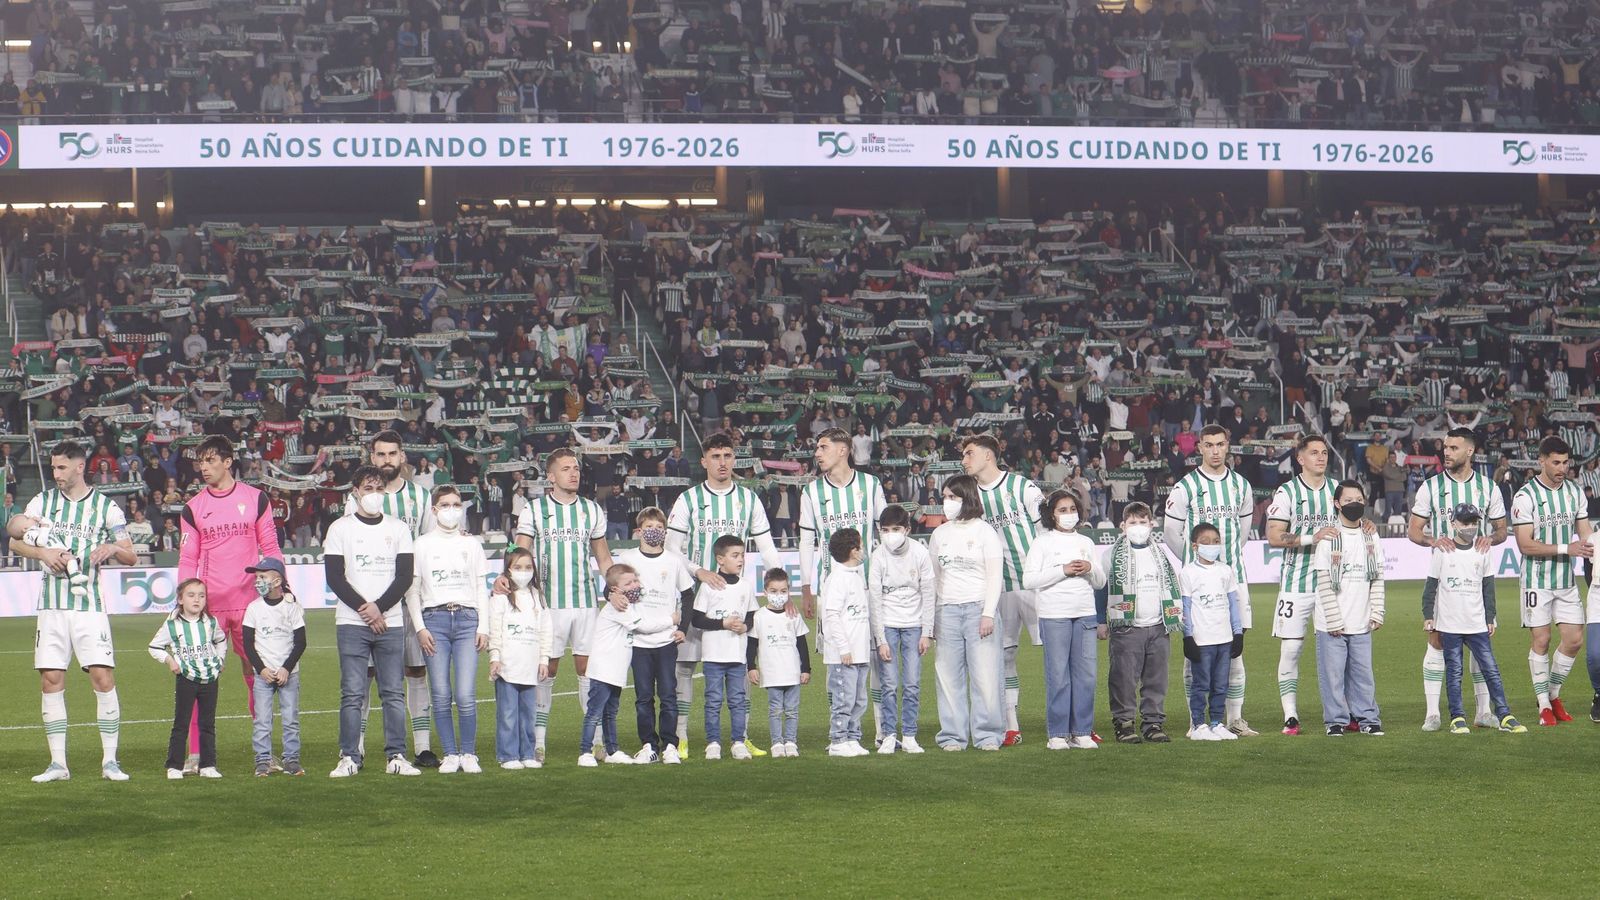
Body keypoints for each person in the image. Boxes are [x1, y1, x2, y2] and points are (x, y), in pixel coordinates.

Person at [7, 440, 137, 783]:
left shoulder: (106, 507)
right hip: (51, 606)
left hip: (89, 606)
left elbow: (130, 555)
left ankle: (110, 761)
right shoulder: (43, 502)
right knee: (51, 679)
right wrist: (43, 554)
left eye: (62, 467)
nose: (56, 473)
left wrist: (111, 547)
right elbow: (14, 538)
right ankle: (58, 764)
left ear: (80, 467)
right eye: (53, 467)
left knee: (102, 677)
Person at [667, 433, 783, 755]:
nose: (722, 462)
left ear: (734, 459)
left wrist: (780, 585)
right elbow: (672, 549)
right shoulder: (688, 499)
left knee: (740, 667)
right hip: (694, 597)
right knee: (685, 667)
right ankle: (681, 736)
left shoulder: (749, 499)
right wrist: (699, 571)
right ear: (704, 461)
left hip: (736, 602)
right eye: (716, 456)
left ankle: (740, 735)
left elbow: (767, 547)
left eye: (727, 456)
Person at [178, 434, 283, 774]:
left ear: (227, 462)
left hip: (250, 603)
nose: (203, 467)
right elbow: (187, 558)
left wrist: (280, 585)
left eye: (210, 460)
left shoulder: (256, 499)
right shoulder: (193, 508)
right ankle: (196, 754)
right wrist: (185, 600)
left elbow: (271, 548)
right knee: (199, 677)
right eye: (200, 461)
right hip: (209, 608)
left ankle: (265, 753)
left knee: (258, 674)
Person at [506, 448, 615, 764]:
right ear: (551, 476)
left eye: (576, 468)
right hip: (548, 605)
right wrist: (512, 587)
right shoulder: (534, 510)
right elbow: (520, 554)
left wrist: (617, 585)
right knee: (547, 669)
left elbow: (603, 557)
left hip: (585, 603)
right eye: (566, 469)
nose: (574, 473)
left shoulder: (591, 510)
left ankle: (595, 741)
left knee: (588, 669)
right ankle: (538, 743)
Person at [343, 431, 438, 768]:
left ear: (402, 457)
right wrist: (369, 604)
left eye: (392, 454)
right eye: (380, 454)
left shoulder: (420, 497)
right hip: (368, 602)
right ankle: (357, 747)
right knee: (367, 674)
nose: (387, 460)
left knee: (415, 670)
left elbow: (428, 546)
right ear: (372, 457)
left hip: (408, 599)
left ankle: (422, 747)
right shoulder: (356, 497)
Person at [1408, 427, 1507, 731]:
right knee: (1436, 640)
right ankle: (1433, 713)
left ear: (1470, 451)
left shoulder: (1488, 487)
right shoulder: (1431, 486)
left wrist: (1491, 538)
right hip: (1445, 579)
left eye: (1453, 448)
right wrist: (1432, 541)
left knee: (1480, 640)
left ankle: (1483, 712)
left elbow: (1502, 530)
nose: (1446, 452)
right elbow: (1414, 530)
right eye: (1445, 447)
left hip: (1476, 576)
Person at [1164, 424, 1257, 736]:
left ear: (1228, 445)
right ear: (1200, 448)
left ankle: (1234, 719)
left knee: (1235, 650)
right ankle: (1197, 721)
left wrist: (1223, 564)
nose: (1215, 451)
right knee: (1196, 653)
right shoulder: (1185, 487)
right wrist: (1196, 564)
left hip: (1234, 578)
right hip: (1197, 584)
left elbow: (1243, 533)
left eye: (1220, 444)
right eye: (1209, 445)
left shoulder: (1241, 486)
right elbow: (1171, 534)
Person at [326, 466, 417, 777]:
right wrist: (367, 610)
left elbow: (404, 577)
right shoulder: (340, 529)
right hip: (351, 623)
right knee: (352, 693)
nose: (374, 494)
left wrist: (379, 608)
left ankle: (397, 756)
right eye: (368, 488)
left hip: (390, 622)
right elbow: (335, 578)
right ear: (355, 492)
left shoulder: (398, 528)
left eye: (379, 489)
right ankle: (349, 757)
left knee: (393, 693)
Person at [798, 428, 887, 743]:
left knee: (875, 658)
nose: (817, 453)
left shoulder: (870, 485)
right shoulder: (811, 492)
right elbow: (806, 541)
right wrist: (806, 588)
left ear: (843, 450)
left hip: (868, 588)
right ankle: (840, 731)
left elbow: (884, 533)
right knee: (836, 661)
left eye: (823, 447)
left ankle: (881, 730)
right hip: (831, 589)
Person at [959, 434, 1043, 746]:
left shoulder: (1022, 486)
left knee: (1058, 651)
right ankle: (1011, 725)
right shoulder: (969, 497)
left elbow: (1045, 528)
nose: (964, 460)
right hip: (998, 590)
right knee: (1005, 656)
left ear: (988, 456)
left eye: (969, 453)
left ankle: (1074, 723)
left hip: (1036, 584)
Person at [1420, 504, 1526, 734]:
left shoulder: (1483, 550)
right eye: (1465, 522)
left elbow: (1488, 587)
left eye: (1473, 523)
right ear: (1453, 524)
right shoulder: (1442, 551)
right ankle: (1457, 718)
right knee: (1454, 672)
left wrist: (1490, 616)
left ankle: (1505, 715)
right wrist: (1428, 615)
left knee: (1491, 670)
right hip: (1450, 624)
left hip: (1476, 623)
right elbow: (1430, 586)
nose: (1470, 527)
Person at [407, 485, 489, 774]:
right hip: (434, 621)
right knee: (441, 693)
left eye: (456, 504)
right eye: (445, 505)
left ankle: (468, 752)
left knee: (465, 693)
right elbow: (412, 591)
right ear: (434, 510)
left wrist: (484, 626)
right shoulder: (421, 545)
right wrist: (420, 628)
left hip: (467, 619)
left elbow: (481, 586)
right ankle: (450, 753)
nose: (451, 510)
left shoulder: (472, 544)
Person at [1511, 435, 1592, 727]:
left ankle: (1553, 694)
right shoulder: (1525, 496)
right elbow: (1525, 544)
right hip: (1536, 580)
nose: (1562, 468)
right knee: (1542, 640)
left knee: (1574, 640)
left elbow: (1585, 534)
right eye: (1556, 462)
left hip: (1566, 580)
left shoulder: (1574, 492)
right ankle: (1543, 705)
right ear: (1541, 461)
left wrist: (1592, 546)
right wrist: (1567, 548)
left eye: (1565, 462)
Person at [1264, 434, 1341, 736]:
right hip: (1296, 583)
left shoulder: (1337, 489)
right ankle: (1291, 715)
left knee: (1335, 650)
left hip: (1331, 584)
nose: (1321, 457)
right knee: (1292, 649)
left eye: (1324, 452)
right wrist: (1313, 537)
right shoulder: (1288, 492)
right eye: (1314, 453)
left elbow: (1352, 524)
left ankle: (1340, 712)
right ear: (1300, 458)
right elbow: (1274, 536)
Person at [1024, 489, 1107, 750]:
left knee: (1086, 676)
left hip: (1085, 614)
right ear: (1051, 514)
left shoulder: (1086, 542)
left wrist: (1090, 568)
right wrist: (1063, 570)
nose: (1069, 514)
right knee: (1058, 676)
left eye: (1072, 509)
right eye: (1062, 510)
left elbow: (1100, 581)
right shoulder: (1042, 542)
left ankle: (1081, 731)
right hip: (1054, 615)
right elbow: (1029, 580)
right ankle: (1058, 734)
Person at [929, 474, 1006, 752]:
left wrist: (988, 613)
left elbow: (995, 576)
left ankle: (988, 735)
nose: (947, 502)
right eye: (945, 497)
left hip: (978, 608)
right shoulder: (939, 534)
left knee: (986, 677)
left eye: (953, 497)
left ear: (967, 497)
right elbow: (934, 579)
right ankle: (952, 736)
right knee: (948, 678)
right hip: (946, 611)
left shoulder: (985, 532)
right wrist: (932, 618)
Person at [614, 507, 695, 764]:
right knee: (643, 697)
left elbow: (688, 595)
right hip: (638, 640)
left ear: (665, 532)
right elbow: (612, 589)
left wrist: (683, 628)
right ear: (639, 531)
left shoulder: (673, 561)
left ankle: (670, 745)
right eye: (649, 527)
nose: (654, 531)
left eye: (659, 528)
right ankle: (648, 744)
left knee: (669, 695)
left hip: (666, 640)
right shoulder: (627, 558)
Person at [580, 564, 678, 767]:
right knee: (594, 713)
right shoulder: (620, 607)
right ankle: (585, 752)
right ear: (615, 590)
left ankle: (612, 750)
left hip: (614, 671)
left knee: (610, 713)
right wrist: (671, 619)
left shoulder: (627, 604)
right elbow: (643, 626)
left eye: (635, 580)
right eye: (628, 583)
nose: (635, 585)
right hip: (603, 670)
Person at [1100, 501, 1181, 744]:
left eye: (1142, 522)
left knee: (1156, 679)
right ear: (1122, 526)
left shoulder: (1160, 554)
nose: (1138, 526)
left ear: (1151, 524)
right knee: (1123, 679)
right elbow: (1101, 589)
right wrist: (1100, 621)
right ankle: (1124, 724)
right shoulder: (1110, 555)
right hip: (1127, 627)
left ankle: (1153, 723)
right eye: (1132, 522)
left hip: (1158, 625)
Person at [1313, 481, 1387, 737]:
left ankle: (1368, 719)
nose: (1354, 504)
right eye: (1348, 500)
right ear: (1337, 504)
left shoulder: (1371, 535)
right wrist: (1334, 619)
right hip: (1331, 622)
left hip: (1361, 621)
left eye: (1358, 499)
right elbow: (1324, 581)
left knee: (1363, 675)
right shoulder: (1329, 537)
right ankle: (1335, 721)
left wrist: (1377, 611)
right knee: (1332, 676)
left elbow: (1377, 576)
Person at [867, 504, 935, 754]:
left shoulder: (920, 552)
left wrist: (927, 632)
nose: (890, 535)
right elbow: (875, 598)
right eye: (885, 530)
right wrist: (880, 639)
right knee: (889, 684)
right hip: (888, 625)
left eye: (895, 529)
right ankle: (888, 735)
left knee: (912, 684)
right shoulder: (878, 556)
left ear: (907, 529)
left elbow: (929, 593)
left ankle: (909, 735)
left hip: (914, 626)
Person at [150, 579, 229, 778]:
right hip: (186, 678)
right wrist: (170, 661)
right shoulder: (172, 625)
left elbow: (221, 640)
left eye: (201, 596)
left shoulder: (211, 622)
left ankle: (208, 765)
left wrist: (220, 660)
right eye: (191, 595)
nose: (197, 600)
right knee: (181, 723)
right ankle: (174, 766)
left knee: (207, 723)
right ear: (180, 599)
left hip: (210, 678)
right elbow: (154, 647)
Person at [689, 534, 758, 760]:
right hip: (713, 656)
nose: (740, 560)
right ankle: (713, 742)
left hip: (737, 656)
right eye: (735, 555)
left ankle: (738, 742)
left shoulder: (746, 586)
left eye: (742, 555)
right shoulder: (709, 587)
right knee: (714, 701)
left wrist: (745, 626)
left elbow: (752, 616)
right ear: (720, 559)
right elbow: (697, 620)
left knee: (738, 700)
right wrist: (723, 624)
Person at [242, 558, 308, 777]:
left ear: (278, 580)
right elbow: (248, 644)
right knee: (262, 720)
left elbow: (300, 642)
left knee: (290, 720)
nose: (258, 581)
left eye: (263, 577)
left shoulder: (292, 608)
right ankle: (262, 760)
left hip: (289, 674)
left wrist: (286, 668)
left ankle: (291, 760)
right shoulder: (253, 608)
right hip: (263, 676)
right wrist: (261, 669)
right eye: (256, 577)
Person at [488, 548, 552, 770]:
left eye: (528, 567)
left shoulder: (538, 597)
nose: (523, 572)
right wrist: (495, 657)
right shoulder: (500, 598)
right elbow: (495, 629)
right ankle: (508, 755)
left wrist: (544, 659)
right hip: (507, 667)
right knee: (507, 715)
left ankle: (527, 753)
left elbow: (546, 630)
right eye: (517, 567)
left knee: (528, 715)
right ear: (508, 569)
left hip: (530, 667)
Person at [1180, 524, 1245, 742]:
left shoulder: (1225, 571)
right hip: (1202, 640)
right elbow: (1186, 607)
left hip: (1224, 639)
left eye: (1216, 541)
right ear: (1195, 546)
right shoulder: (1188, 573)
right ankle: (1198, 725)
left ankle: (1217, 723)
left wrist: (1238, 633)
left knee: (1221, 685)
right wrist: (1188, 637)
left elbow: (1233, 604)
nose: (1212, 545)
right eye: (1205, 542)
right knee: (1201, 684)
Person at [749, 567, 811, 757]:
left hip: (792, 672)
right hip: (772, 673)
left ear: (789, 591)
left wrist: (806, 669)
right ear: (765, 592)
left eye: (783, 591)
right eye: (774, 591)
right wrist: (751, 667)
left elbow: (802, 643)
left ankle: (791, 742)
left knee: (792, 711)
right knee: (775, 710)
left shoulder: (793, 614)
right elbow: (752, 644)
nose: (779, 595)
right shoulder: (759, 616)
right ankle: (777, 743)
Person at [821, 528, 872, 757]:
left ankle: (853, 737)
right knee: (844, 698)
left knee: (859, 700)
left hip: (860, 650)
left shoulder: (856, 576)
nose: (863, 550)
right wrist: (843, 648)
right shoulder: (838, 579)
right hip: (844, 653)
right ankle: (838, 740)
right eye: (861, 545)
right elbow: (831, 615)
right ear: (853, 550)